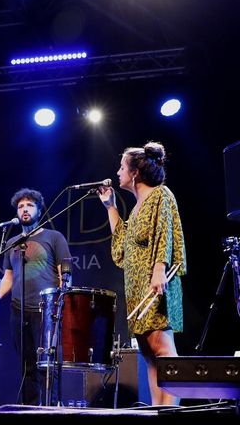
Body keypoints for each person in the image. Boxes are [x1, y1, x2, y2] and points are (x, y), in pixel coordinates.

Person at [97, 142, 186, 406]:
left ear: (135, 172)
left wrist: (159, 270)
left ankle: (171, 411)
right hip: (137, 288)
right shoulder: (136, 208)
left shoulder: (160, 195)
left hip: (156, 282)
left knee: (162, 348)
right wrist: (111, 207)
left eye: (122, 167)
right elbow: (122, 248)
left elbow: (165, 232)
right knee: (148, 354)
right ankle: (159, 409)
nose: (117, 172)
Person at [0, 188, 72, 405]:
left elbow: (65, 273)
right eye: (21, 206)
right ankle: (29, 408)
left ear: (39, 210)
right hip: (18, 310)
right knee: (26, 365)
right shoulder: (11, 243)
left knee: (47, 364)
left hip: (45, 309)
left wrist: (59, 304)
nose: (24, 209)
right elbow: (8, 277)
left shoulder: (54, 237)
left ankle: (51, 407)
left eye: (29, 205)